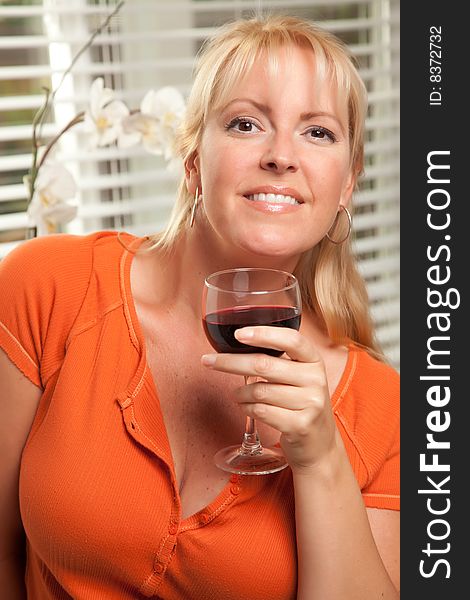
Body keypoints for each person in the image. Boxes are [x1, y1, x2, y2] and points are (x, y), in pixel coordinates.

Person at [0, 14, 399, 600]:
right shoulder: (49, 288)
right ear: (192, 163)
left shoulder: (383, 409)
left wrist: (320, 460)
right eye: (246, 123)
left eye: (318, 132)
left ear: (346, 186)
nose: (281, 156)